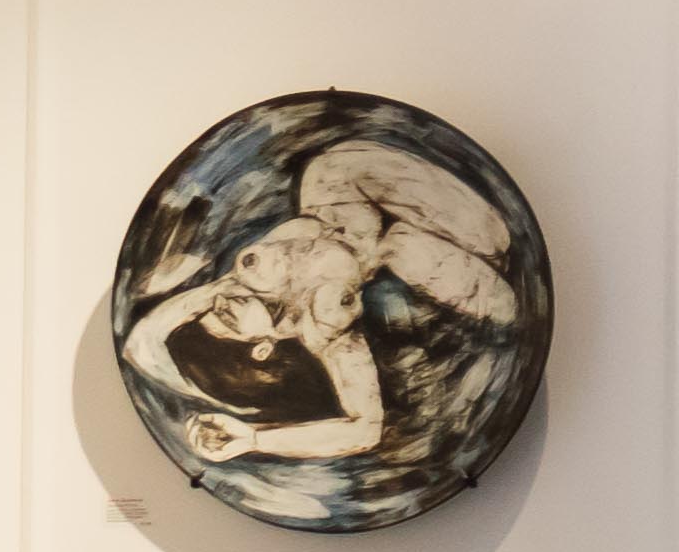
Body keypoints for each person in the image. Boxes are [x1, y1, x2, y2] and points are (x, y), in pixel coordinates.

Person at [121, 137, 523, 470]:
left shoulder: (239, 280)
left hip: (342, 200)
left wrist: (206, 302)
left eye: (207, 307)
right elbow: (364, 429)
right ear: (262, 348)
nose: (221, 300)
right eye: (226, 317)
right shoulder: (323, 332)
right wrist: (253, 438)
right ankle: (492, 264)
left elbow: (140, 345)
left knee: (332, 168)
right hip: (393, 250)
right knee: (487, 294)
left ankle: (494, 243)